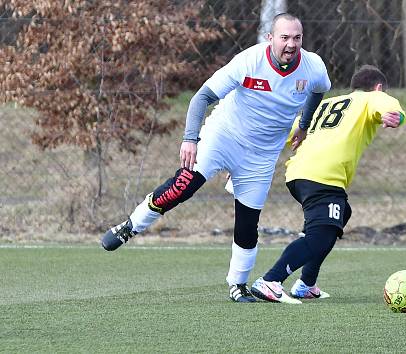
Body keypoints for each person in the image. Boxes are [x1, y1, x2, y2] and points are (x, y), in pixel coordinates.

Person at [100, 13, 331, 303]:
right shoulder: (249, 61)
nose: (291, 44)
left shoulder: (313, 67)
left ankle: (238, 285)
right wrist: (189, 138)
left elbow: (320, 90)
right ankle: (130, 226)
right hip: (224, 137)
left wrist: (304, 124)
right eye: (284, 37)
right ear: (270, 38)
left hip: (261, 155)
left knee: (248, 223)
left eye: (297, 38)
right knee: (183, 185)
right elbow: (201, 97)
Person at [248, 65, 406, 304]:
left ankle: (307, 284)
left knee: (340, 214)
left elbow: (288, 132)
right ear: (379, 87)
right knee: (320, 236)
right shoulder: (372, 97)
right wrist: (396, 115)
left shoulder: (326, 104)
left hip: (299, 173)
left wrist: (249, 156)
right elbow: (389, 107)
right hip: (321, 176)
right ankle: (271, 280)